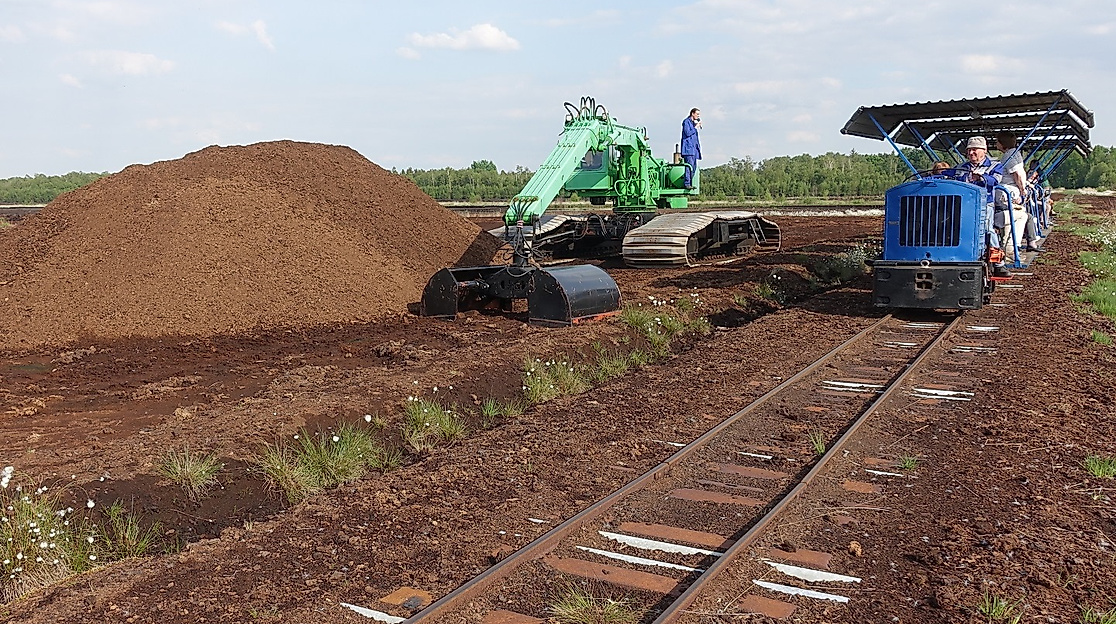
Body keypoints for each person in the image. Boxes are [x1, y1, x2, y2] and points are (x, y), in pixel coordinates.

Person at [952, 136, 1010, 277]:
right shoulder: (961, 167)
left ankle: (998, 264)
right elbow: (951, 177)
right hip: (963, 204)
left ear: (984, 150)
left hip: (984, 204)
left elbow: (995, 180)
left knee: (987, 229)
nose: (971, 153)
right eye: (969, 150)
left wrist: (982, 177)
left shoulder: (995, 165)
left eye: (975, 150)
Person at [680, 108, 701, 190]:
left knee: (694, 167)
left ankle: (690, 183)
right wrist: (695, 127)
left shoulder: (693, 123)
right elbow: (687, 133)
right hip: (688, 149)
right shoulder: (686, 122)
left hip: (694, 149)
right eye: (697, 114)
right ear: (692, 113)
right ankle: (687, 183)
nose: (698, 116)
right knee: (689, 166)